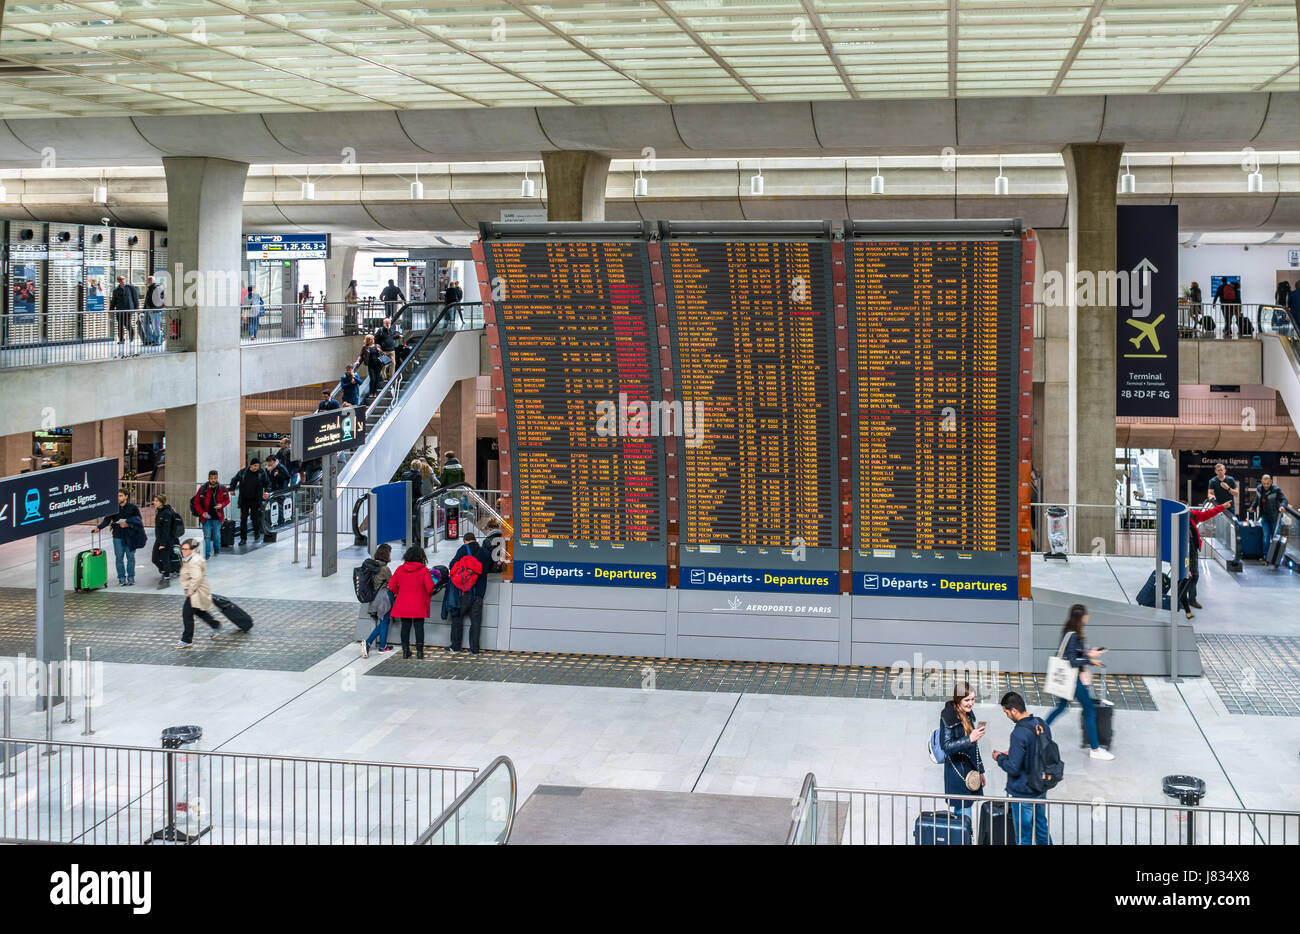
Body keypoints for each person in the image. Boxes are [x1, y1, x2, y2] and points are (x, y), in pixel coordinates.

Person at [1042, 604, 1113, 759]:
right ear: (1081, 617)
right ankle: (1095, 749)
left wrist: (1090, 654)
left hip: (1068, 679)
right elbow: (1073, 661)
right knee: (1089, 710)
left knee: (1061, 707)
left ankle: (1038, 730)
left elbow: (1073, 653)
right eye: (1086, 615)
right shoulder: (1073, 634)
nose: (1088, 617)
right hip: (1073, 680)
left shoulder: (1068, 631)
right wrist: (1090, 660)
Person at [992, 692, 1053, 845]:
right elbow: (1039, 751)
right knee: (1041, 826)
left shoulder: (1018, 733)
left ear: (1013, 710)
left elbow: (1013, 767)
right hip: (1040, 787)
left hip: (1024, 792)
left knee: (1023, 836)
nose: (1007, 716)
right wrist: (1014, 753)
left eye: (1006, 712)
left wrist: (999, 757)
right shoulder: (1041, 723)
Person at [938, 682, 986, 814]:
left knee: (964, 813)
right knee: (964, 814)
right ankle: (964, 835)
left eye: (973, 699)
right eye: (967, 700)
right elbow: (946, 746)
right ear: (958, 700)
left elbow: (974, 747)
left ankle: (963, 834)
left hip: (969, 770)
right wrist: (969, 738)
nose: (971, 703)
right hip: (957, 772)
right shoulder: (948, 716)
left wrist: (980, 770)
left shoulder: (967, 714)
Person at [1182, 499, 1230, 617]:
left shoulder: (1193, 515)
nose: (1185, 510)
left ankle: (1191, 599)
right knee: (1183, 576)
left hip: (1192, 549)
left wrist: (1222, 506)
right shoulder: (1175, 519)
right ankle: (1182, 600)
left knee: (1194, 575)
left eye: (1187, 508)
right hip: (1182, 550)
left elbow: (1207, 514)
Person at [388, 545, 434, 659]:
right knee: (419, 627)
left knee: (405, 627)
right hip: (418, 604)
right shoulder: (423, 570)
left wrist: (399, 592)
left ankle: (405, 651)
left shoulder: (400, 569)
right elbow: (429, 588)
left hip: (403, 603)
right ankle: (419, 652)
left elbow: (391, 586)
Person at [449, 532, 489, 654]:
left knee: (457, 619)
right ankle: (474, 649)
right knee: (476, 622)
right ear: (475, 540)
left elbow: (452, 565)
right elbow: (487, 570)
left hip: (464, 591)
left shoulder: (463, 549)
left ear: (465, 540)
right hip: (479, 593)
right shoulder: (485, 552)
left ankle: (456, 647)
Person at [174, 539, 219, 649]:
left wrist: (189, 591)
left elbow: (196, 578)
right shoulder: (190, 558)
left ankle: (186, 639)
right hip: (195, 590)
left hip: (196, 591)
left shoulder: (194, 561)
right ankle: (215, 625)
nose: (182, 551)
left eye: (185, 549)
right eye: (182, 548)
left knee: (187, 614)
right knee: (199, 611)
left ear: (193, 549)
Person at [97, 488, 145, 586]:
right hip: (117, 536)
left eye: (120, 496)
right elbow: (107, 519)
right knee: (119, 558)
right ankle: (121, 578)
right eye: (117, 496)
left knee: (130, 557)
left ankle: (131, 577)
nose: (118, 498)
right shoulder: (114, 508)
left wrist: (128, 524)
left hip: (130, 536)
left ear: (126, 496)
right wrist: (99, 527)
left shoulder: (133, 508)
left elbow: (138, 520)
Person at [360, 543, 394, 658]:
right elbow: (393, 584)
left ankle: (382, 646)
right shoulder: (385, 569)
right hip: (384, 598)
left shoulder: (372, 566)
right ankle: (368, 642)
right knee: (384, 621)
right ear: (386, 554)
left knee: (384, 621)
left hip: (375, 598)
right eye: (390, 552)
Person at [191, 470, 230, 559]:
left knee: (216, 535)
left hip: (218, 516)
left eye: (215, 478)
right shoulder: (203, 489)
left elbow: (227, 500)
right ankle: (207, 555)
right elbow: (196, 502)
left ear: (217, 478)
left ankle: (217, 551)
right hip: (206, 517)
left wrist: (222, 505)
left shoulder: (222, 488)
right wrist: (202, 513)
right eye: (211, 478)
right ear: (208, 478)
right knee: (207, 536)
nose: (213, 480)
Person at [232, 457, 271, 545]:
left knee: (254, 518)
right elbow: (234, 480)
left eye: (258, 466)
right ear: (251, 465)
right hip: (244, 499)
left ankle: (256, 532)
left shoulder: (261, 473)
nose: (256, 467)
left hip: (255, 500)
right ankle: (243, 538)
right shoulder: (243, 472)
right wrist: (232, 489)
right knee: (243, 519)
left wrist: (267, 491)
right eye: (255, 466)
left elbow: (268, 483)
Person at [151, 494, 184, 586]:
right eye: (154, 501)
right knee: (155, 559)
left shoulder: (167, 513)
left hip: (166, 540)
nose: (154, 502)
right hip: (159, 539)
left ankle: (166, 577)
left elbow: (166, 530)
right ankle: (164, 571)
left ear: (162, 502)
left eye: (157, 501)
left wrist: (163, 543)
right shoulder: (159, 511)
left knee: (165, 559)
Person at [1253, 474, 1288, 561]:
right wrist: (1252, 507)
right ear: (1261, 482)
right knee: (1265, 537)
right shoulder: (1259, 488)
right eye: (1264, 483)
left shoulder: (1276, 490)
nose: (1266, 486)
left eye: (1268, 484)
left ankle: (1275, 558)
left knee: (1275, 538)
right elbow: (1257, 500)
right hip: (1264, 517)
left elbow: (1284, 500)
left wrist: (1282, 506)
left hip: (1275, 517)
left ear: (1271, 482)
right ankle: (1266, 557)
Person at [109, 274, 140, 356]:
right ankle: (121, 339)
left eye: (123, 279)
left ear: (125, 279)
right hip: (119, 309)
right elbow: (113, 301)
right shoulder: (116, 290)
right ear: (118, 281)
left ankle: (132, 334)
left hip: (128, 309)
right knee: (120, 324)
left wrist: (137, 308)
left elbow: (135, 298)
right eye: (120, 279)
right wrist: (111, 310)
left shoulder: (130, 287)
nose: (122, 280)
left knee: (127, 323)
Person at [142, 275, 165, 345]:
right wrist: (144, 309)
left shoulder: (156, 288)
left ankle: (157, 341)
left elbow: (158, 300)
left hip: (154, 310)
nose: (148, 281)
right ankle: (150, 339)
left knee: (156, 326)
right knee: (145, 324)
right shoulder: (150, 288)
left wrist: (153, 308)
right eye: (148, 279)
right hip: (148, 309)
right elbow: (147, 299)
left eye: (149, 280)